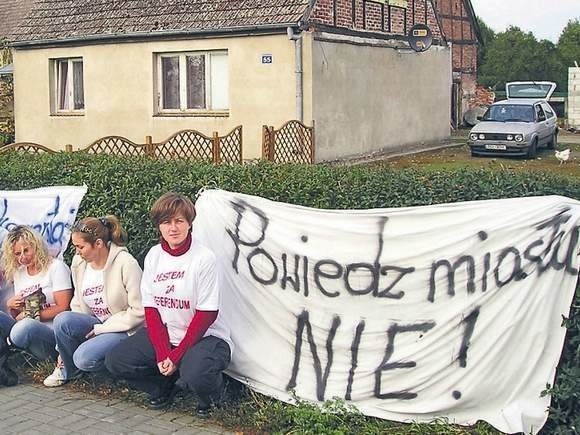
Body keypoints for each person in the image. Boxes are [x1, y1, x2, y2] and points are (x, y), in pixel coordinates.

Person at [105, 192, 232, 417]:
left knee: (196, 373)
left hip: (206, 337)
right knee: (116, 361)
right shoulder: (154, 256)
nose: (173, 228)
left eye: (179, 221)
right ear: (159, 227)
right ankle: (162, 386)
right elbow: (152, 311)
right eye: (166, 222)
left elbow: (206, 315)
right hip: (169, 334)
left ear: (189, 224)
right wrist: (164, 352)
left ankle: (213, 396)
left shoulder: (204, 258)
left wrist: (175, 356)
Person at [43, 216, 144, 387]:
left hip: (123, 329)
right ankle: (68, 370)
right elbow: (77, 303)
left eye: (80, 247)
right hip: (96, 324)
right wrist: (62, 350)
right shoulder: (79, 263)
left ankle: (115, 376)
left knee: (83, 359)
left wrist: (103, 329)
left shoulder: (126, 263)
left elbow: (139, 311)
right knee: (63, 319)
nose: (77, 252)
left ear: (98, 243)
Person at [0, 225, 73, 361]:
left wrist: (30, 315)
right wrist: (12, 306)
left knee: (24, 327)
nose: (23, 257)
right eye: (17, 254)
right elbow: (18, 315)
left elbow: (64, 308)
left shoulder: (56, 267)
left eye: (26, 250)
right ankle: (12, 354)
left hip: (50, 334)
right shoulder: (19, 273)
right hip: (24, 330)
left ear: (36, 246)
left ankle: (11, 352)